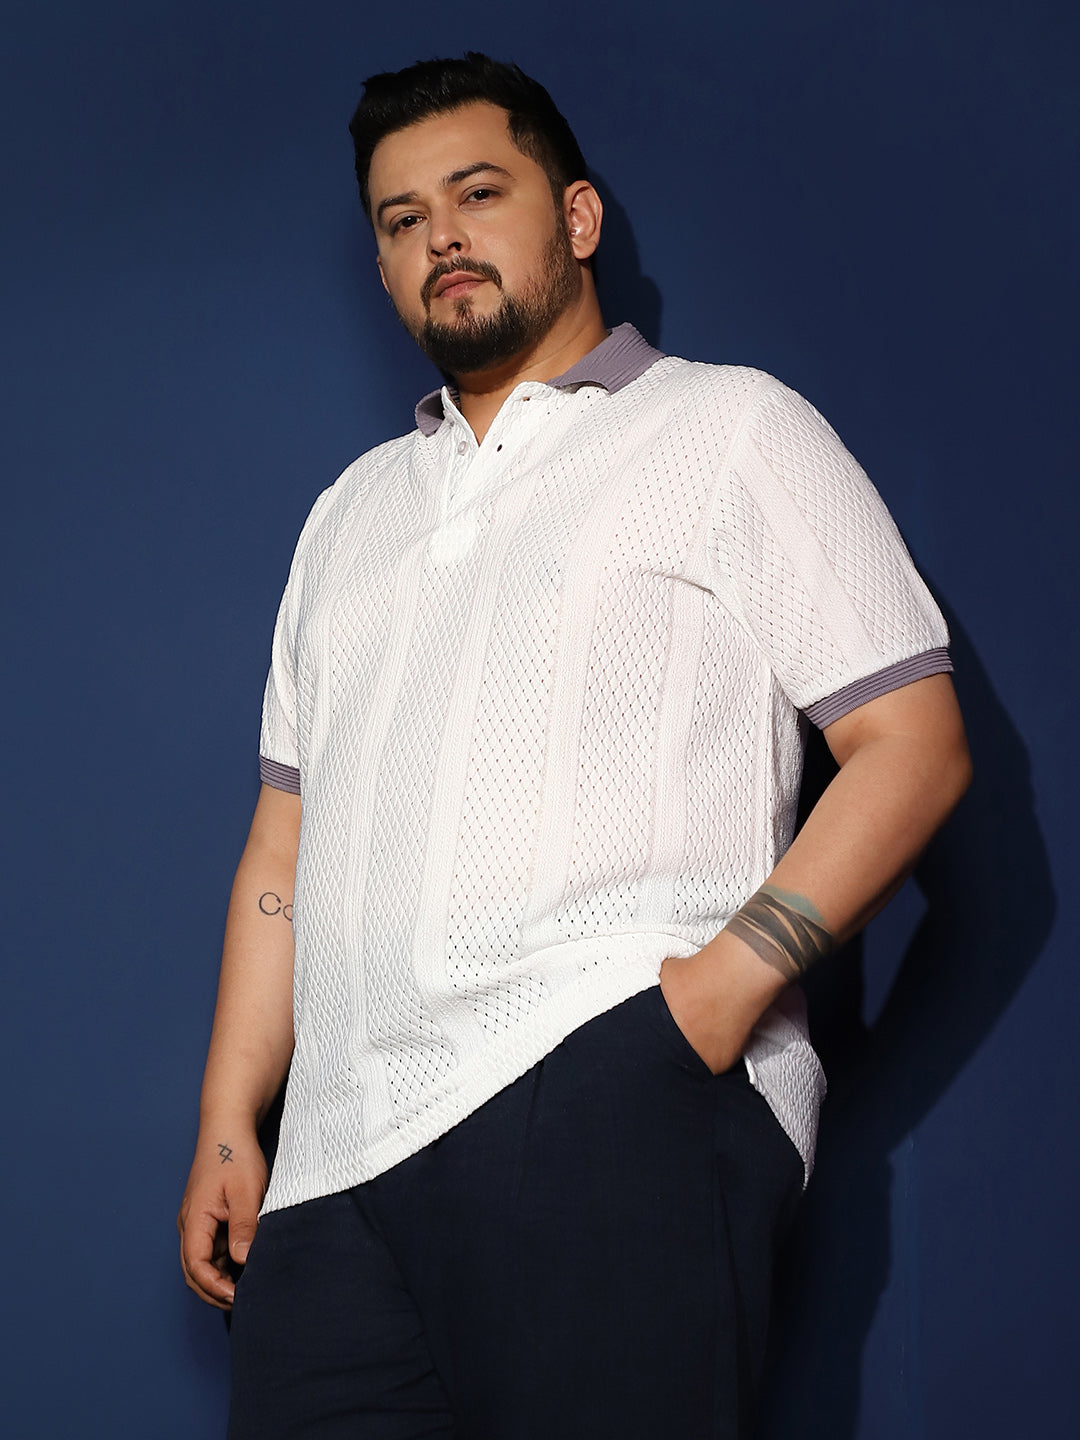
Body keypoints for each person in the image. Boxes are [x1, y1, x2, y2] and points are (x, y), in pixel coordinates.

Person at [178, 53, 971, 1439]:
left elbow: (913, 742)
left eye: (478, 194)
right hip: (331, 1172)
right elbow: (283, 846)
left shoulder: (728, 428)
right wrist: (234, 1117)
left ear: (579, 217)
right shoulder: (348, 516)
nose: (442, 237)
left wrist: (709, 1004)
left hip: (604, 1093)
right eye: (404, 219)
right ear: (383, 267)